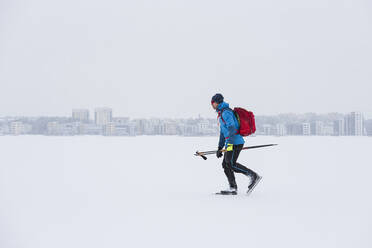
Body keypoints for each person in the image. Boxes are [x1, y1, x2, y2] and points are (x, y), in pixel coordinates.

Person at [211, 93, 262, 195]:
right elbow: (223, 132)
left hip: (235, 142)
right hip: (230, 142)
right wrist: (220, 147)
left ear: (216, 102)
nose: (212, 105)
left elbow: (232, 127)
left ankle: (253, 176)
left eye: (212, 103)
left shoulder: (226, 113)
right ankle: (232, 188)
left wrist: (229, 144)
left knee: (231, 164)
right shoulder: (221, 114)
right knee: (226, 164)